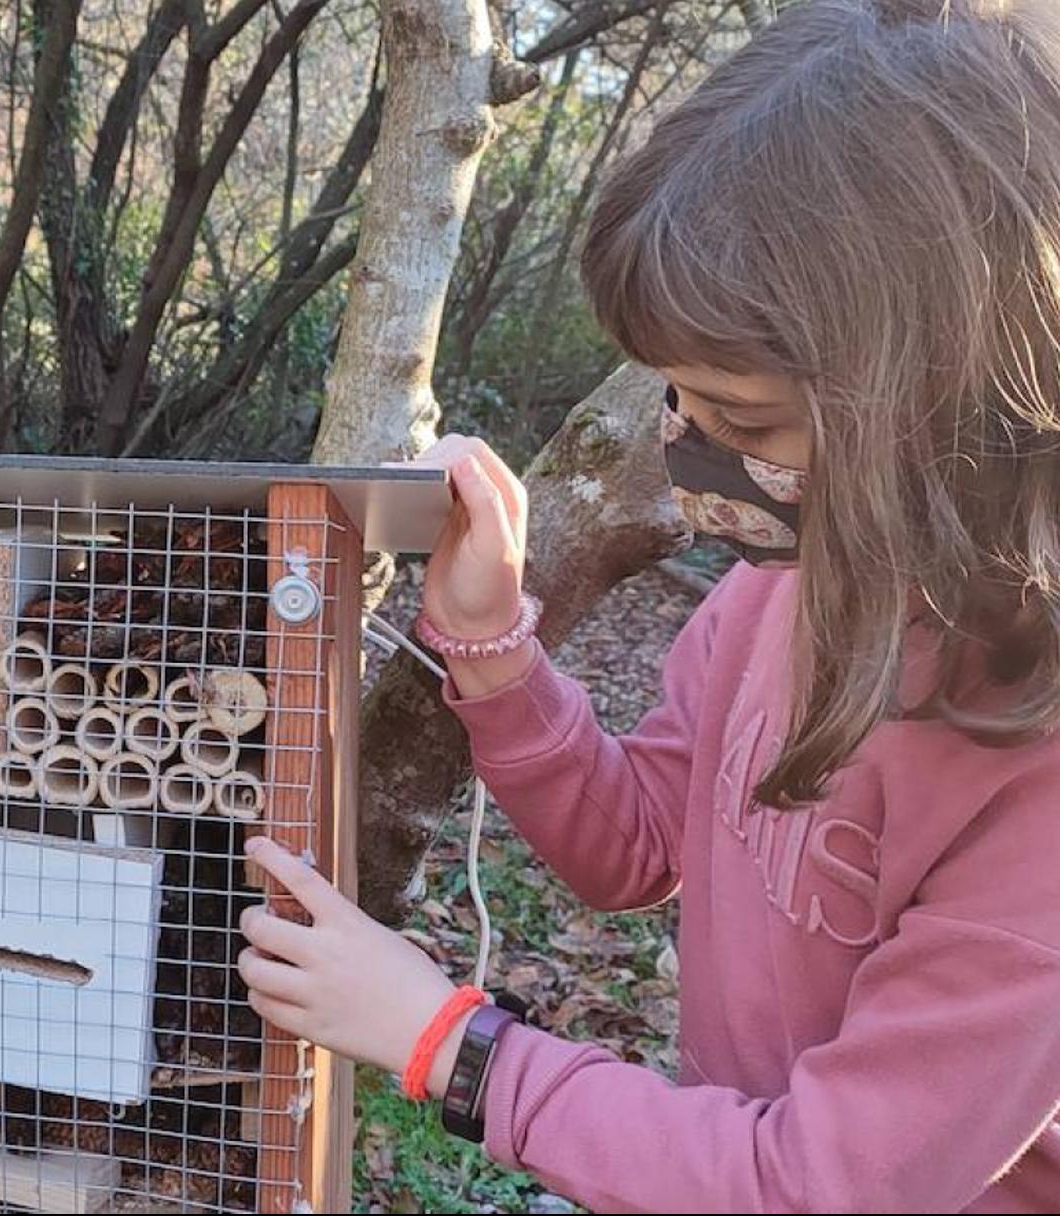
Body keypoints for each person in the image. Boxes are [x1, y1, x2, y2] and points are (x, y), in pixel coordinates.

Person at [240, 0, 1060, 1209]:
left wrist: (450, 1045)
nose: (692, 448)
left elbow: (814, 1184)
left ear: (947, 405)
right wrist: (490, 636)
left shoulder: (1033, 784)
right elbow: (637, 848)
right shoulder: (774, 596)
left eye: (749, 422)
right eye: (677, 398)